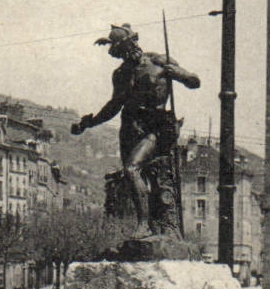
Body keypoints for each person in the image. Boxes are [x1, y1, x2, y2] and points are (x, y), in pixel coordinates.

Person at [72, 24, 201, 238]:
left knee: (133, 169)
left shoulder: (159, 61)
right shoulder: (121, 74)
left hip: (157, 127)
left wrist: (178, 73)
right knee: (134, 174)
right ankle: (152, 224)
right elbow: (114, 105)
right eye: (120, 53)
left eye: (127, 48)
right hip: (131, 127)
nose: (126, 54)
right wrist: (89, 123)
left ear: (134, 42)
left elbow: (195, 82)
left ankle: (144, 225)